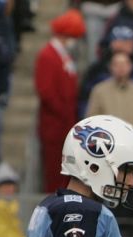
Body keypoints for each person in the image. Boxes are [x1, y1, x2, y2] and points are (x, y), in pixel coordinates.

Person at [36, 10, 84, 193]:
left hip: (65, 125)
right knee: (55, 173)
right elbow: (46, 92)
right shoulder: (48, 56)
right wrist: (63, 114)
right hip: (54, 126)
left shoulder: (63, 55)